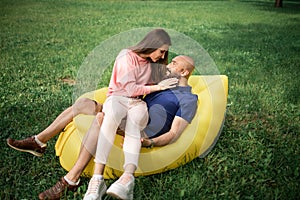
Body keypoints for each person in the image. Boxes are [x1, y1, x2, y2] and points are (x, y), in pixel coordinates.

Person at [7, 55, 197, 200]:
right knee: (83, 103)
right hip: (129, 114)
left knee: (101, 118)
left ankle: (71, 179)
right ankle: (39, 141)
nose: (168, 65)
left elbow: (174, 134)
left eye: (173, 63)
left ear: (184, 72)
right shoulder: (162, 84)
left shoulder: (188, 99)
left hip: (140, 129)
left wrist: (149, 142)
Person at [83, 29, 178, 200]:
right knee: (111, 115)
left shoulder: (152, 63)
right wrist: (158, 87)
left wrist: (171, 75)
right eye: (161, 51)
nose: (163, 55)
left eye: (165, 52)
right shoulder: (126, 56)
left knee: (136, 122)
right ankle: (97, 179)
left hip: (137, 102)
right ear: (152, 45)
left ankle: (127, 179)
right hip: (118, 98)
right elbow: (129, 88)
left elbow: (151, 84)